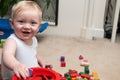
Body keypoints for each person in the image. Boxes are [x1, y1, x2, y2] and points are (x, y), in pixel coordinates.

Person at [1, 1, 51, 80]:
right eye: (21, 21)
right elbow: (7, 56)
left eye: (33, 23)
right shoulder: (12, 41)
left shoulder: (34, 39)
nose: (27, 27)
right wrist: (16, 65)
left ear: (39, 27)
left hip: (30, 76)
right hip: (14, 77)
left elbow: (33, 52)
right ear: (12, 24)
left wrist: (42, 61)